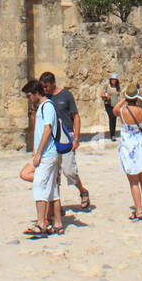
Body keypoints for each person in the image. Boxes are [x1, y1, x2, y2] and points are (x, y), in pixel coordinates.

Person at [41, 71, 90, 211]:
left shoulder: (66, 95)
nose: (45, 90)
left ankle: (82, 190)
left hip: (66, 136)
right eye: (43, 87)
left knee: (69, 171)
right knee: (54, 173)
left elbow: (76, 117)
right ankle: (57, 205)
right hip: (52, 139)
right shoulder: (45, 99)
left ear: (53, 83)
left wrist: (76, 138)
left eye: (46, 86)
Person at [22, 80, 63, 238]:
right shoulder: (43, 107)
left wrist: (38, 153)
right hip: (48, 154)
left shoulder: (47, 107)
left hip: (47, 154)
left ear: (35, 93)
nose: (29, 99)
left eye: (29, 96)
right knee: (52, 189)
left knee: (39, 186)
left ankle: (41, 224)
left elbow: (48, 129)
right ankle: (56, 224)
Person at [115, 83, 142, 219]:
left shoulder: (122, 111)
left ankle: (139, 210)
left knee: (133, 181)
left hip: (128, 147)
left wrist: (123, 98)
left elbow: (115, 109)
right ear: (137, 97)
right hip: (141, 145)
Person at [102, 74, 120, 141]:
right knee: (111, 117)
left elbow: (120, 96)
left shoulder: (118, 87)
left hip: (115, 105)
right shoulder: (106, 86)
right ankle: (112, 134)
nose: (113, 81)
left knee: (114, 119)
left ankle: (113, 134)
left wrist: (120, 104)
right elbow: (102, 94)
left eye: (115, 80)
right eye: (112, 79)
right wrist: (106, 96)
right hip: (108, 105)